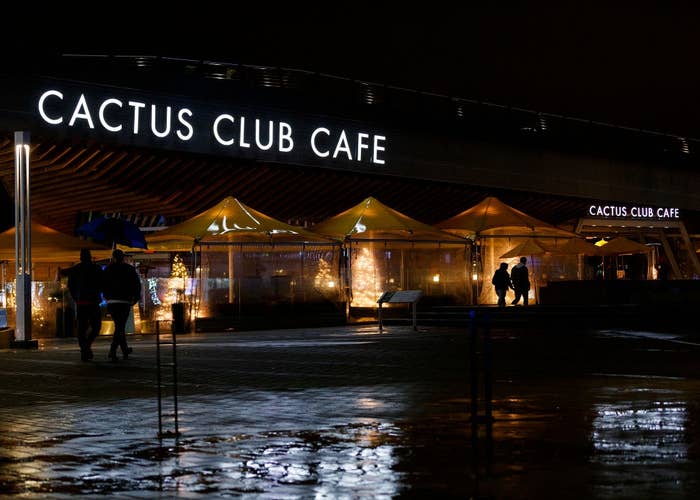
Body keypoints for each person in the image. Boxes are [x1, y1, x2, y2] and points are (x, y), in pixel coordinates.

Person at [102, 249, 141, 361]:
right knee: (120, 326)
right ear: (122, 257)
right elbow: (136, 284)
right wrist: (135, 298)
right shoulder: (129, 269)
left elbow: (103, 284)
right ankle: (113, 350)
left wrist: (106, 296)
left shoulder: (108, 269)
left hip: (112, 301)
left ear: (113, 257)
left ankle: (124, 349)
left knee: (119, 326)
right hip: (124, 301)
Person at [67, 248, 103, 361]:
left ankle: (84, 349)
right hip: (93, 301)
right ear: (90, 256)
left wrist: (76, 297)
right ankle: (86, 346)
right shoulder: (96, 268)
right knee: (96, 326)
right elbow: (102, 283)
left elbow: (70, 286)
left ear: (80, 257)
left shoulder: (75, 269)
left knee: (82, 328)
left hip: (81, 302)